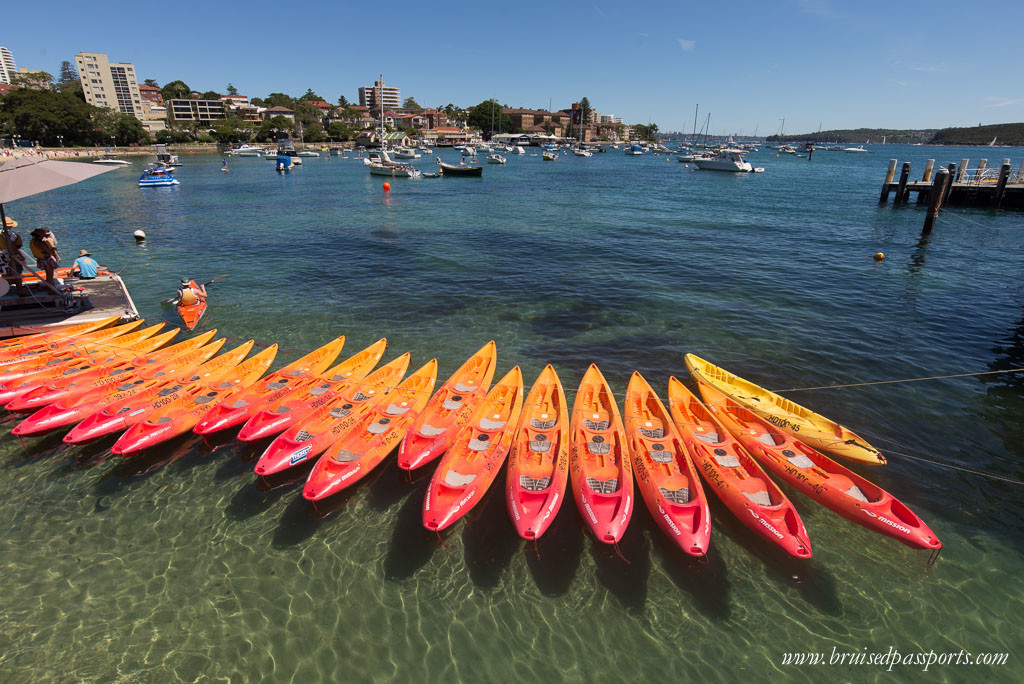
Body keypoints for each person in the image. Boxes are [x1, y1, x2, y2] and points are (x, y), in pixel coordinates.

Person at [0, 217, 29, 296]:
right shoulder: (10, 234)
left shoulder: (1, 232)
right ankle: (20, 290)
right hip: (11, 255)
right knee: (17, 272)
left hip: (2, 255)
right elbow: (12, 245)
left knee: (6, 273)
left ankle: (5, 289)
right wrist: (20, 255)